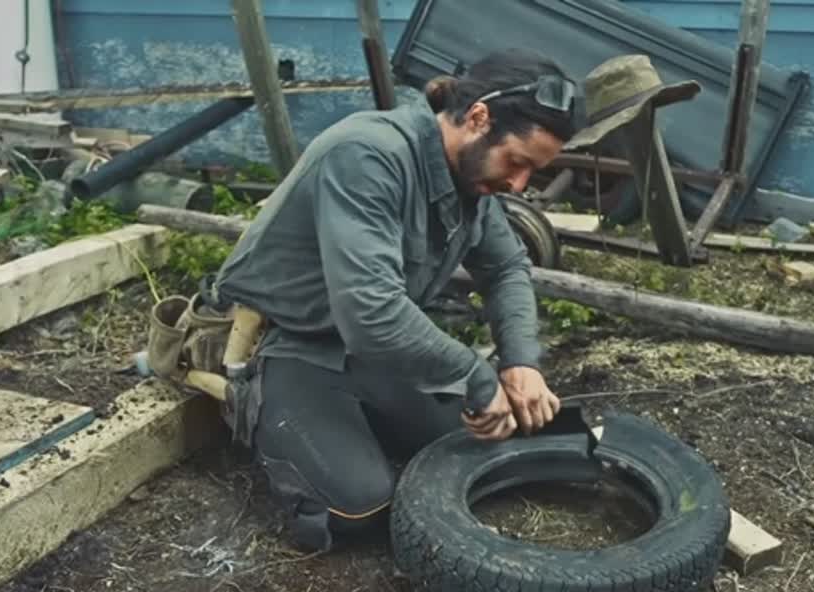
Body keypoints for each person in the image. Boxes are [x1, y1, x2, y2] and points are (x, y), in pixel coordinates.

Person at [202, 50, 581, 552]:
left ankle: (362, 417)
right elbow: (372, 314)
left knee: (489, 432)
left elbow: (506, 266)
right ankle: (255, 408)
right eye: (516, 161)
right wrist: (475, 375)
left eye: (532, 171)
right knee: (358, 505)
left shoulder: (469, 177)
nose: (518, 184)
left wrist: (519, 363)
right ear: (478, 118)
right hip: (286, 342)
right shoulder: (367, 156)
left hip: (367, 350)